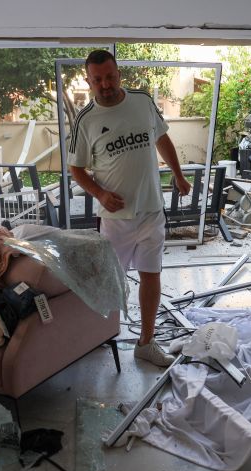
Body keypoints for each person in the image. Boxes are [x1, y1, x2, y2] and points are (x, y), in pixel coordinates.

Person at [68, 49, 191, 367]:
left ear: (119, 74)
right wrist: (100, 194)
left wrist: (178, 174)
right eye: (97, 80)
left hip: (151, 209)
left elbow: (162, 139)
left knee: (152, 276)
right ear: (88, 81)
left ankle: (146, 342)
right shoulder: (86, 120)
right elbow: (77, 169)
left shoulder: (143, 102)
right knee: (110, 282)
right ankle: (94, 337)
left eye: (110, 77)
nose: (105, 84)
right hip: (115, 219)